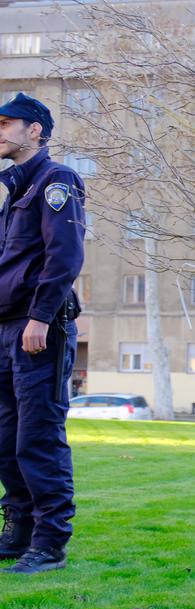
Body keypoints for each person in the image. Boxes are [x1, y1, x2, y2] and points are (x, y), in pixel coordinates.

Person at [0, 93, 85, 574]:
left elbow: (65, 257)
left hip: (38, 331)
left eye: (8, 123)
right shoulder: (15, 191)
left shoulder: (58, 181)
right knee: (6, 438)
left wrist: (39, 316)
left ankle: (50, 542)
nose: (0, 130)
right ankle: (19, 530)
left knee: (38, 437)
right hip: (6, 329)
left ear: (36, 130)